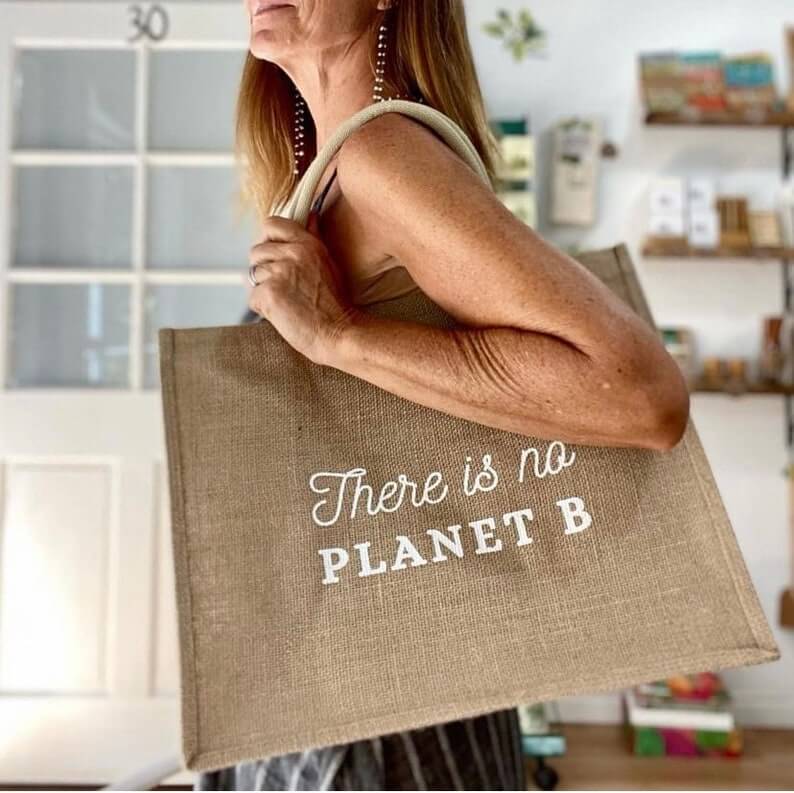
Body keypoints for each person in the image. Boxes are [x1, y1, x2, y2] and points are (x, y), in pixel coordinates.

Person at [200, 0, 691, 789]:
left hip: (388, 707)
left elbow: (644, 396)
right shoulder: (326, 174)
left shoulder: (382, 154)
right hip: (368, 672)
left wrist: (341, 336)